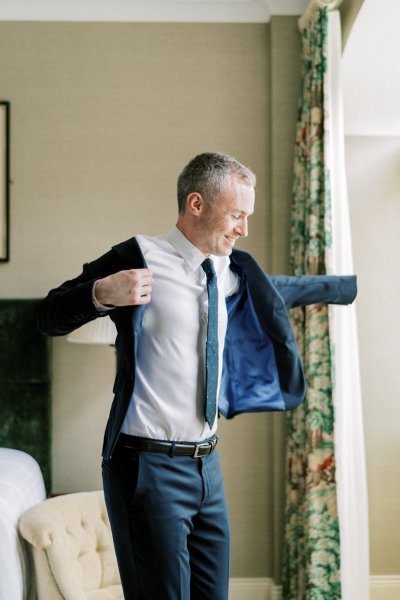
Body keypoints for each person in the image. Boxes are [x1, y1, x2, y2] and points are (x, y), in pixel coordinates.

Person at [37, 152, 356, 600]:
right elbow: (46, 315)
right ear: (196, 204)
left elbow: (283, 288)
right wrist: (100, 293)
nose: (244, 228)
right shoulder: (139, 256)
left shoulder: (229, 269)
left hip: (208, 466)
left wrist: (350, 287)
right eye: (237, 215)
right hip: (148, 466)